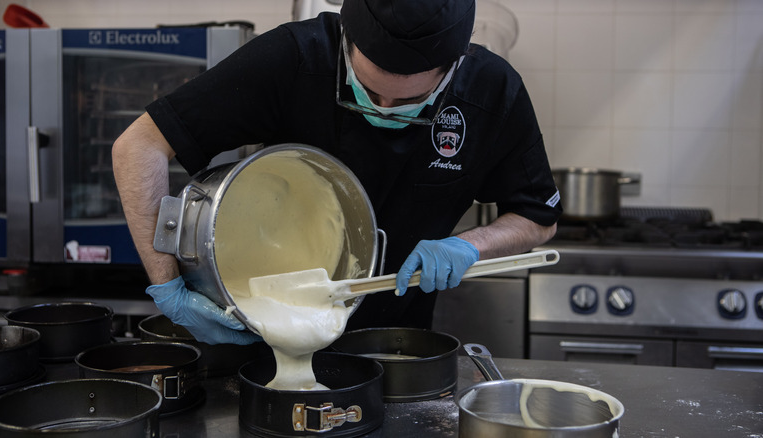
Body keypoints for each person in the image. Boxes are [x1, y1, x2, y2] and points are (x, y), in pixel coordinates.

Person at [112, 0, 561, 345]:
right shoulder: (292, 58)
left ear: (455, 66)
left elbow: (537, 218)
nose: (383, 109)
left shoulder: (492, 90)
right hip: (257, 331)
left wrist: (467, 246)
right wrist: (168, 287)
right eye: (367, 91)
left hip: (393, 348)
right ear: (348, 38)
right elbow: (138, 147)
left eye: (407, 104)